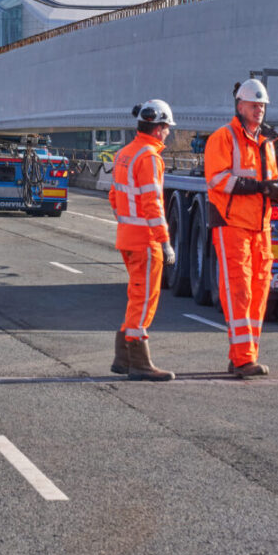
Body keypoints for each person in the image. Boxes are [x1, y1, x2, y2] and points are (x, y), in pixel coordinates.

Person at [204, 79, 278, 378]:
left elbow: (270, 180)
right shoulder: (224, 137)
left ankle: (244, 356)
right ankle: (243, 360)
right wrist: (260, 187)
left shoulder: (267, 142)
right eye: (254, 105)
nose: (259, 110)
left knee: (258, 292)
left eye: (262, 106)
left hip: (260, 228)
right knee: (239, 291)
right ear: (240, 106)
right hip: (233, 226)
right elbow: (218, 179)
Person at [109, 99, 177, 382]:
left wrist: (128, 222)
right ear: (158, 127)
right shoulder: (149, 157)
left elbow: (114, 197)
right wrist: (165, 241)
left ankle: (123, 358)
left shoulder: (125, 153)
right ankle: (139, 363)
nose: (168, 133)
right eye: (167, 128)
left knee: (136, 297)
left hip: (127, 237)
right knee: (145, 300)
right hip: (146, 241)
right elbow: (153, 203)